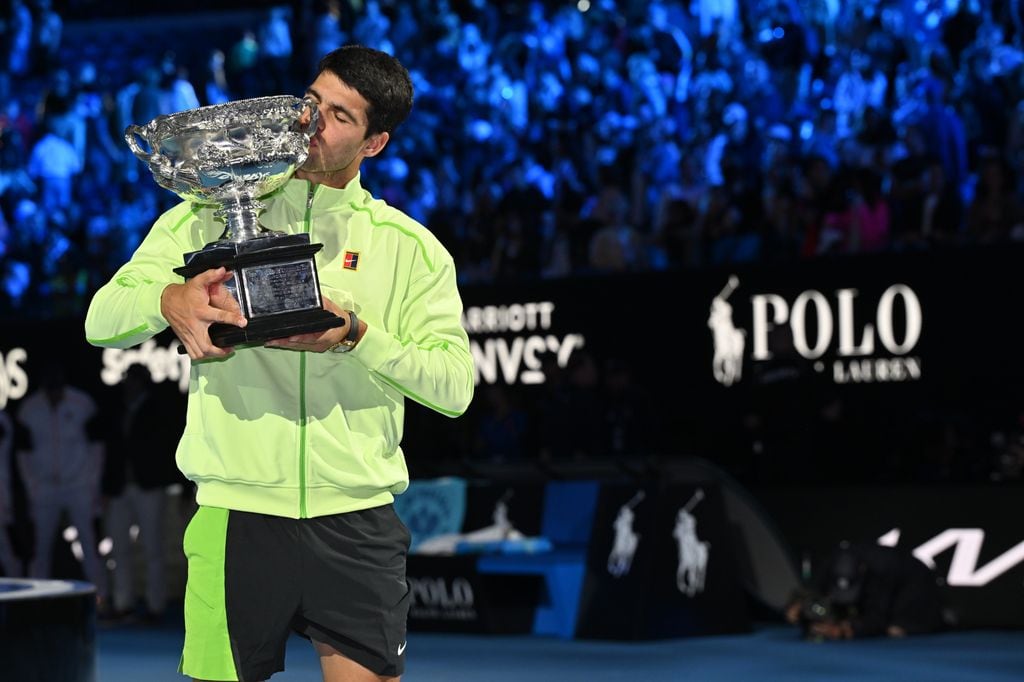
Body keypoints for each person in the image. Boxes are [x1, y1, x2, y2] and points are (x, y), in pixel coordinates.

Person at [85, 45, 474, 682]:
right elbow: (101, 320)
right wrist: (168, 298)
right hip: (235, 512)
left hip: (356, 518)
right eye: (311, 103)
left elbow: (454, 387)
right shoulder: (208, 212)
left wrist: (355, 336)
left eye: (340, 117)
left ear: (373, 144)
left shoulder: (413, 251)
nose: (313, 124)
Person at [99, 364, 185, 623]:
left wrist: (177, 483)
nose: (131, 384)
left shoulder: (157, 409)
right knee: (119, 547)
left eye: (135, 380)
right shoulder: (117, 408)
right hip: (120, 487)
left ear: (144, 382)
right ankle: (123, 603)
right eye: (129, 379)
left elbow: (168, 446)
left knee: (152, 546)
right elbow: (109, 450)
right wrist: (106, 486)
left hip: (149, 486)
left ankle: (155, 606)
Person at [14, 364, 105, 592]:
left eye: (58, 388)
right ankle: (36, 600)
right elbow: (22, 453)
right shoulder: (29, 408)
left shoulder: (82, 404)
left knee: (88, 545)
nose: (54, 394)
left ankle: (99, 599)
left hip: (78, 485)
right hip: (44, 487)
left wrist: (91, 482)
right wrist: (32, 486)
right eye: (50, 389)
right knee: (40, 548)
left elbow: (97, 447)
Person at [785, 541, 946, 640]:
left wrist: (846, 629)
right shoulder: (831, 564)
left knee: (895, 630)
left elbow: (877, 618)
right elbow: (809, 591)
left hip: (916, 590)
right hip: (886, 581)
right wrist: (797, 605)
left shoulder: (882, 571)